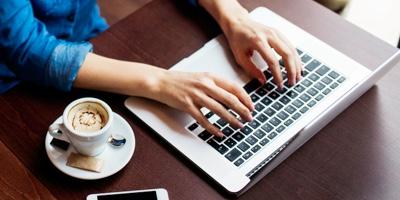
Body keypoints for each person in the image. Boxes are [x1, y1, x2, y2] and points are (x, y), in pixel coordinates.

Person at [0, 0, 302, 137]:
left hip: (93, 40)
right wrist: (160, 83)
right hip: (16, 90)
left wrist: (234, 16)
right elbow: (27, 50)